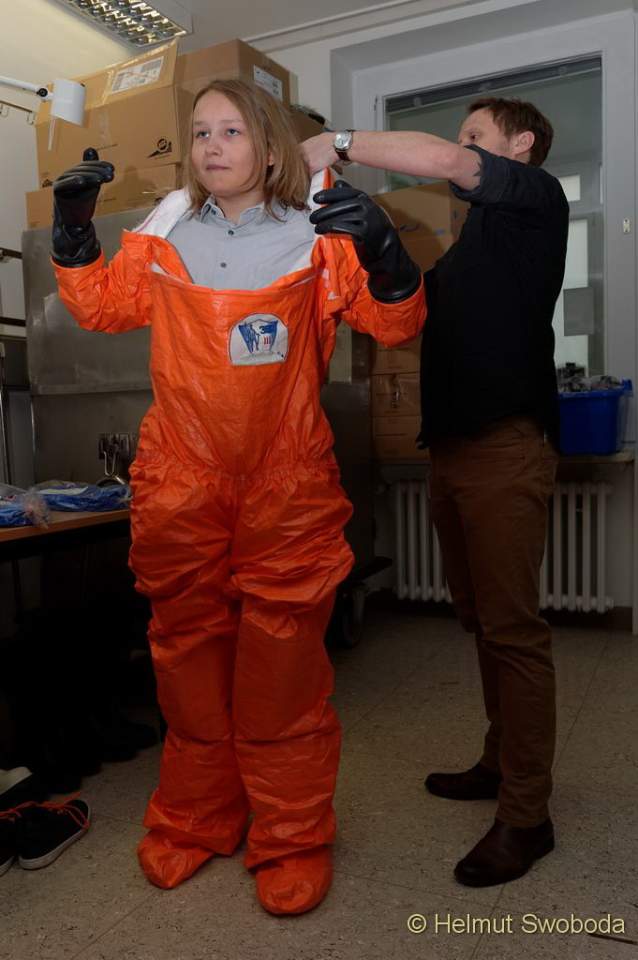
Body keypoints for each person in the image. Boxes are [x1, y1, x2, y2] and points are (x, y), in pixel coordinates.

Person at [49, 79, 424, 915]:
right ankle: (195, 818)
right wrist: (74, 233)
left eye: (230, 131)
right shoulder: (166, 232)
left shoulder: (318, 233)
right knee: (186, 661)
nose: (211, 146)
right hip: (182, 482)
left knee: (282, 672)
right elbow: (102, 307)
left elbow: (394, 324)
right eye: (200, 133)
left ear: (268, 144)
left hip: (286, 485)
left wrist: (386, 251)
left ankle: (291, 836)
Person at [303, 98, 569, 887]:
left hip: (505, 446)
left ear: (520, 145)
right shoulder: (473, 242)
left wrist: (336, 143)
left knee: (514, 632)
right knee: (481, 621)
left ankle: (528, 815)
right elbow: (416, 312)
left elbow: (448, 164)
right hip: (453, 451)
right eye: (462, 138)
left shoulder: (535, 198)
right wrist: (380, 247)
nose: (461, 148)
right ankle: (498, 761)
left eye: (475, 136)